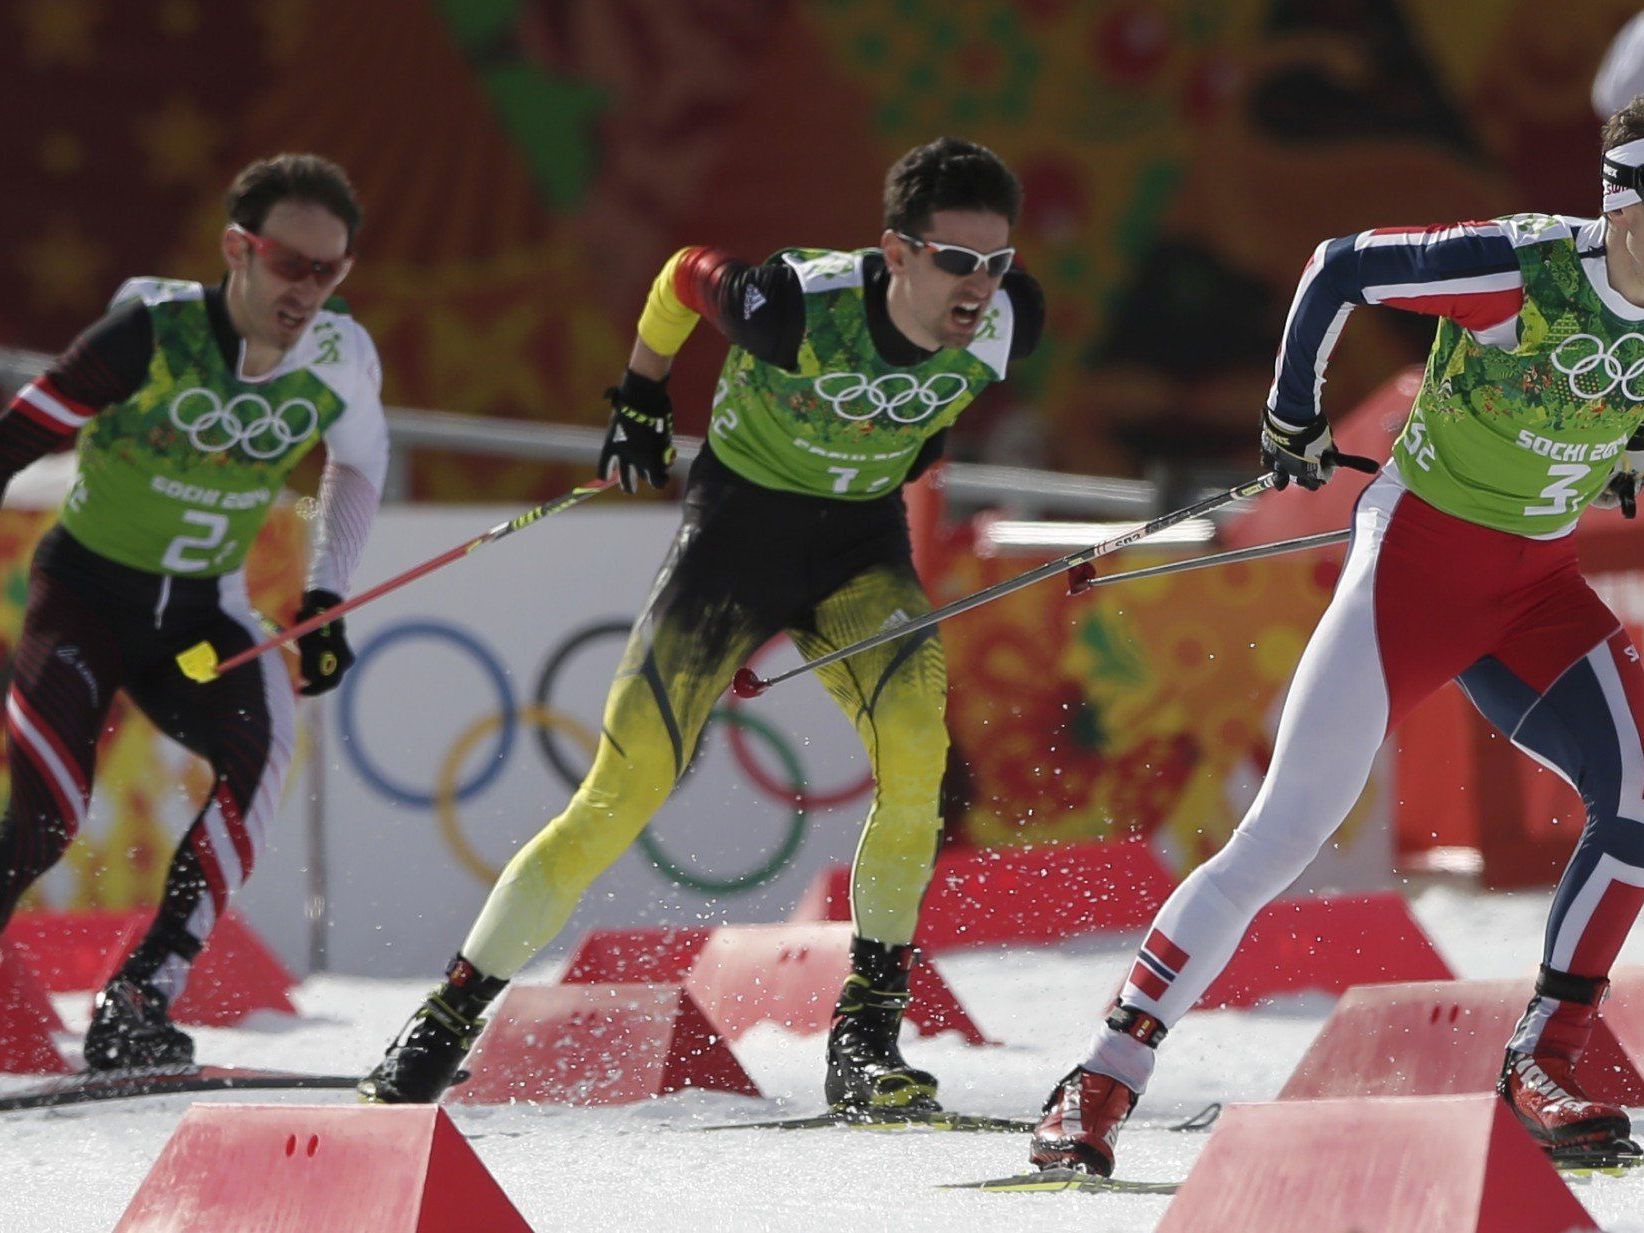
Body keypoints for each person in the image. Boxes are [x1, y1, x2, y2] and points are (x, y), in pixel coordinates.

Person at [361, 136, 1044, 1111]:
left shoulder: (1010, 321)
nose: (980, 287)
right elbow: (683, 274)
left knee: (915, 759)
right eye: (956, 263)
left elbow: (932, 415)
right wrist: (641, 391)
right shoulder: (796, 304)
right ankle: (442, 1023)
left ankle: (865, 1044)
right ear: (896, 254)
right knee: (620, 791)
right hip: (737, 540)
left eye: (996, 263)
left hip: (858, 549)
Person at [1028, 102, 1644, 1176]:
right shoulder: (1522, 267)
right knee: (1283, 834)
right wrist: (1289, 416)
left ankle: (1547, 1059)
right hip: (1412, 573)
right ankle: (1100, 1076)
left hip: (1533, 589)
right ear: (1621, 203)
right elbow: (1337, 266)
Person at [0, 153, 387, 1069]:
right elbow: (17, 436)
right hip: (86, 596)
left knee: (261, 757)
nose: (307, 293)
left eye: (328, 272)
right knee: (49, 815)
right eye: (290, 265)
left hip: (200, 616)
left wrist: (326, 593)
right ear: (237, 250)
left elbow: (362, 464)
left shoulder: (341, 353)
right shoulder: (148, 335)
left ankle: (138, 1001)